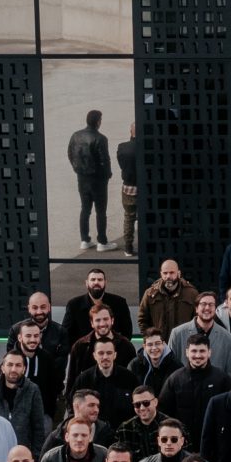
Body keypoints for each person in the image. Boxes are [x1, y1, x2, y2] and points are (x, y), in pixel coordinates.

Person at [158, 337, 231, 432]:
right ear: (187, 353)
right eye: (194, 351)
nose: (198, 355)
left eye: (202, 351)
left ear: (209, 352)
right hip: (183, 438)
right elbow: (163, 411)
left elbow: (230, 410)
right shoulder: (175, 379)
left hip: (213, 437)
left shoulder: (222, 379)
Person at [0, 349, 52, 457]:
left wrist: (35, 456)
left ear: (24, 369)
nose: (14, 369)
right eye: (10, 365)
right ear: (2, 368)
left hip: (22, 453)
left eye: (18, 365)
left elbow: (38, 427)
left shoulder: (32, 390)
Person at [68, 109, 114, 253]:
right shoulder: (101, 138)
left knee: (85, 209)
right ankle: (102, 241)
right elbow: (104, 160)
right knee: (101, 211)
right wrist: (108, 175)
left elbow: (70, 154)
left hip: (82, 178)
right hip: (98, 180)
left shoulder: (76, 136)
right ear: (98, 122)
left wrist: (77, 169)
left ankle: (85, 240)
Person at [15, 291, 70, 404]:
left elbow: (59, 367)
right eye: (35, 308)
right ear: (29, 309)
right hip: (20, 393)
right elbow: (13, 361)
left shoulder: (61, 332)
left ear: (49, 307)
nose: (39, 311)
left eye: (43, 307)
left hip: (52, 393)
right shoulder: (16, 330)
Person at [62, 272, 133, 354]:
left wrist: (116, 349)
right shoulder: (74, 304)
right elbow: (66, 333)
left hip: (113, 353)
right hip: (84, 353)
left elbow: (127, 331)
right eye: (93, 279)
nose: (96, 282)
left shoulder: (119, 303)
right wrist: (79, 349)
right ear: (87, 283)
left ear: (105, 282)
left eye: (100, 279)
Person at [166, 291, 231, 370]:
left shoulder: (226, 337)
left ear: (215, 309)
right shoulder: (177, 334)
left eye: (211, 304)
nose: (207, 308)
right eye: (203, 304)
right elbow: (169, 367)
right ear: (196, 308)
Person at [72, 337, 133, 425]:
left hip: (123, 429)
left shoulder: (129, 377)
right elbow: (74, 408)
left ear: (115, 355)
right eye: (101, 353)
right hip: (92, 429)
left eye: (109, 353)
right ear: (94, 355)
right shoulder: (83, 379)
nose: (105, 357)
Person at [139, 259, 197, 342]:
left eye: (172, 272)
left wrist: (191, 341)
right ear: (161, 274)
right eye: (165, 273)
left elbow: (197, 320)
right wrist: (150, 339)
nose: (168, 276)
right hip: (158, 344)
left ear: (179, 273)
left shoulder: (191, 294)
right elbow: (142, 319)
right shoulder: (150, 294)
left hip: (184, 343)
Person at [117, 122, 141, 253]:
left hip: (128, 187)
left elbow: (122, 165)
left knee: (129, 217)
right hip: (144, 188)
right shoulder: (147, 147)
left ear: (130, 131)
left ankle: (128, 247)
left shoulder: (122, 147)